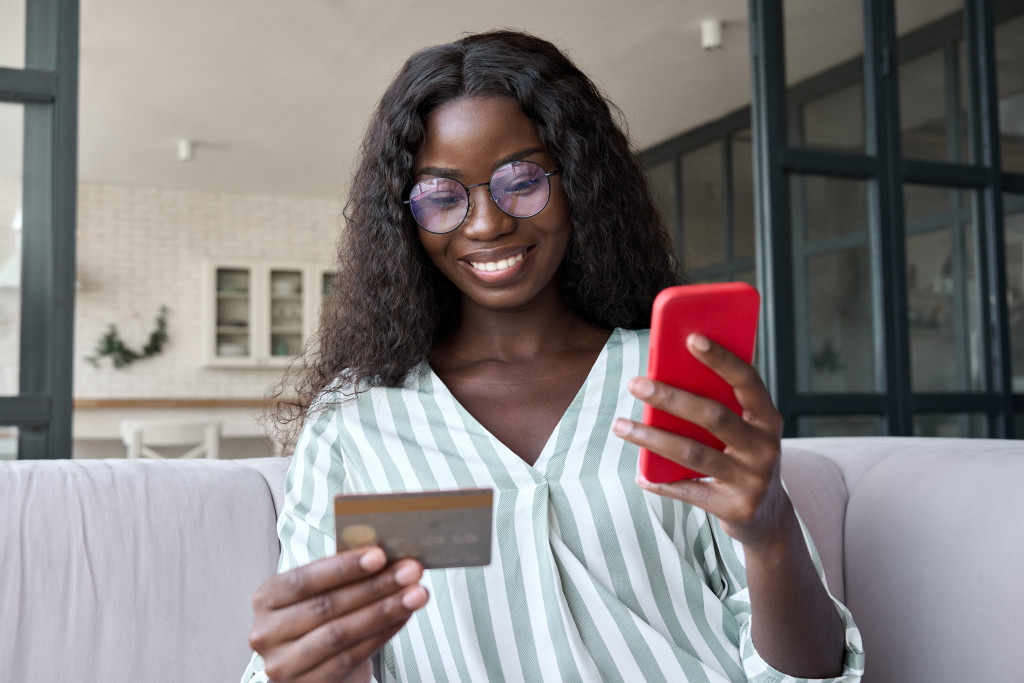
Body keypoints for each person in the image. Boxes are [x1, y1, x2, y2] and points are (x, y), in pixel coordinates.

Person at [242, 30, 864, 683]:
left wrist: (771, 531)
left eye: (522, 180)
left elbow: (812, 673)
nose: (485, 224)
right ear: (405, 217)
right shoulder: (355, 421)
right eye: (441, 196)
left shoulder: (673, 376)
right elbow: (304, 653)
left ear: (581, 180)